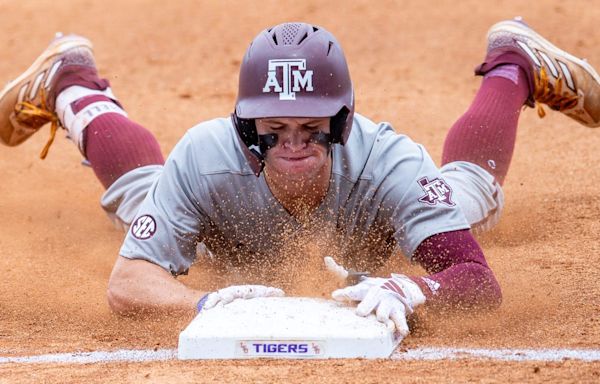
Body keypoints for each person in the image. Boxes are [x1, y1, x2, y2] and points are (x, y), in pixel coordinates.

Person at [1, 18, 598, 337]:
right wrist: (200, 302)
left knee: (470, 197)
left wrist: (412, 289)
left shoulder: (391, 164)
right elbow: (128, 283)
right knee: (140, 196)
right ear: (244, 124)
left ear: (343, 119)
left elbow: (478, 283)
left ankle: (512, 64)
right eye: (273, 128)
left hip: (387, 240)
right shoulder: (208, 154)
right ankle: (72, 83)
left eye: (311, 128)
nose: (291, 144)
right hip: (217, 240)